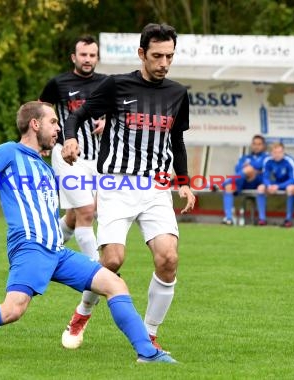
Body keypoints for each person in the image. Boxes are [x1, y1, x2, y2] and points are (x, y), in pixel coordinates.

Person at [0, 101, 175, 363]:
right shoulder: (9, 152)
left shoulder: (44, 168)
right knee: (11, 311)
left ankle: (147, 354)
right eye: (53, 122)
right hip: (30, 247)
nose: (58, 128)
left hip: (57, 251)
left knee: (115, 284)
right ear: (34, 124)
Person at [60, 23, 196, 351]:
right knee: (112, 261)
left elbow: (176, 141)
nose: (164, 62)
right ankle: (82, 313)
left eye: (170, 56)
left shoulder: (177, 94)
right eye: (157, 56)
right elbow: (76, 117)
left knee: (168, 258)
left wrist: (184, 183)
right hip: (117, 185)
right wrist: (70, 139)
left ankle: (149, 336)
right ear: (141, 54)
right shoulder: (116, 85)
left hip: (155, 187)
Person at [39, 35, 107, 260]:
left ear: (97, 57)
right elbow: (41, 110)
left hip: (97, 158)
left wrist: (106, 121)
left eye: (92, 55)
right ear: (73, 57)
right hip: (67, 156)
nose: (87, 59)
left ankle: (42, 251)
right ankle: (96, 268)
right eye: (83, 55)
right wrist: (44, 140)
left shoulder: (106, 83)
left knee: (73, 216)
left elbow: (118, 112)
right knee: (87, 211)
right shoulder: (59, 84)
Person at [221, 135, 269, 225]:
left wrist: (250, 168)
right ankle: (228, 218)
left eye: (259, 144)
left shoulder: (267, 157)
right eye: (254, 144)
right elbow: (237, 168)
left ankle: (262, 219)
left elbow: (261, 167)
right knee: (229, 187)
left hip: (259, 182)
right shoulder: (245, 157)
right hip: (244, 182)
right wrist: (250, 168)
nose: (256, 146)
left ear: (263, 146)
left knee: (249, 169)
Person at [256, 142, 294, 227]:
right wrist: (269, 185)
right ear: (271, 153)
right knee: (260, 188)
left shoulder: (289, 160)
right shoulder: (268, 160)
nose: (277, 155)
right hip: (275, 183)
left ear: (283, 152)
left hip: (287, 183)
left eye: (279, 152)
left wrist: (279, 186)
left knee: (290, 189)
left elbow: (293, 179)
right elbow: (265, 177)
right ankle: (262, 219)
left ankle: (288, 219)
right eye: (275, 152)